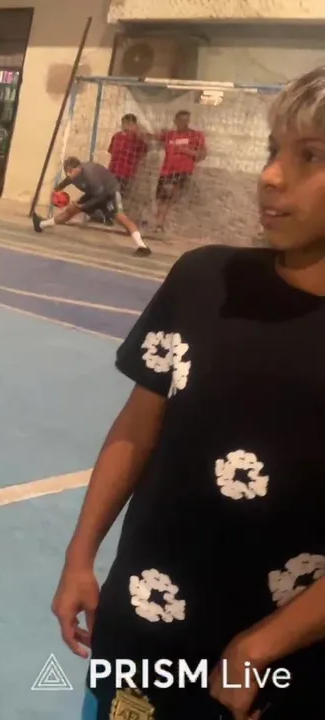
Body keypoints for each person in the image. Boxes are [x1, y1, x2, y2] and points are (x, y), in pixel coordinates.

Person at [52, 66, 325, 720]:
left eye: (310, 156)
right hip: (141, 633)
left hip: (268, 673)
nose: (271, 176)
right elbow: (136, 429)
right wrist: (81, 554)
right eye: (272, 151)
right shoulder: (204, 280)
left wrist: (261, 647)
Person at [31, 157, 149, 256]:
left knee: (121, 218)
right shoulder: (73, 174)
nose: (68, 174)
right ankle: (41, 224)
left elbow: (100, 196)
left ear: (78, 168)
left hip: (110, 192)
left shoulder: (90, 175)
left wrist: (83, 205)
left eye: (70, 171)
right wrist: (57, 189)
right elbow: (69, 180)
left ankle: (142, 246)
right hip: (94, 193)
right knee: (71, 210)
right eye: (67, 171)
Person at [152, 109, 207, 232]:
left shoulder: (196, 135)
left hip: (181, 172)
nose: (184, 123)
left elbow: (202, 154)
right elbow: (153, 137)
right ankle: (159, 224)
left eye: (186, 120)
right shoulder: (170, 135)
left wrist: (187, 151)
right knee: (161, 199)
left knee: (168, 196)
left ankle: (160, 224)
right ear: (175, 121)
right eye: (181, 120)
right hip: (166, 171)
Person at [107, 112, 148, 194]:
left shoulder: (137, 138)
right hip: (113, 170)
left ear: (134, 125)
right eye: (125, 123)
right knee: (111, 193)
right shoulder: (116, 136)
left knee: (120, 194)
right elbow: (111, 151)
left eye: (130, 124)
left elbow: (143, 151)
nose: (127, 126)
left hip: (126, 173)